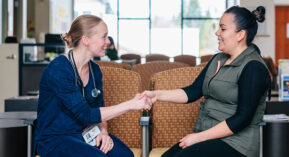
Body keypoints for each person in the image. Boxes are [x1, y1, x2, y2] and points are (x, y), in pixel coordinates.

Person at [141, 6, 271, 157]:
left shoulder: (253, 67)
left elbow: (242, 119)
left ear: (240, 35)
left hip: (237, 144)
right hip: (209, 136)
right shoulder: (218, 59)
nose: (217, 33)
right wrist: (157, 95)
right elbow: (193, 91)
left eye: (223, 29)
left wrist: (198, 137)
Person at [33, 14, 152, 157]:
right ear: (86, 40)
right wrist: (131, 104)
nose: (108, 41)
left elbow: (98, 108)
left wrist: (103, 132)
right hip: (55, 138)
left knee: (124, 155)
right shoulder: (58, 69)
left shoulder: (94, 70)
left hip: (85, 134)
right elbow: (87, 115)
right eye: (104, 37)